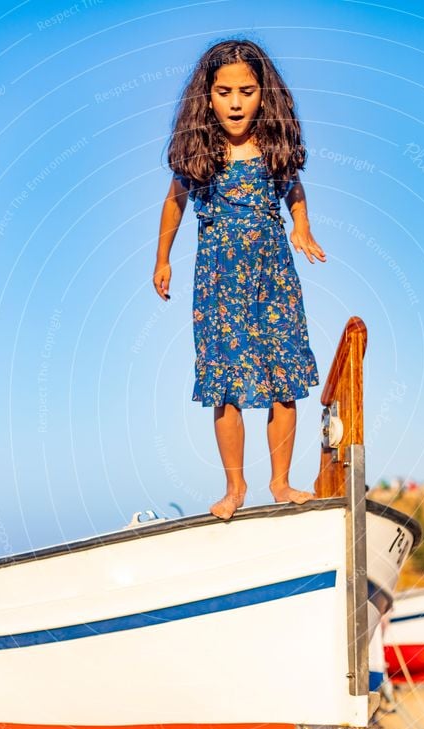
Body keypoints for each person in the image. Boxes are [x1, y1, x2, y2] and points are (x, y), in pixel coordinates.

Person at [153, 39, 326, 520]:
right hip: (218, 276)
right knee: (225, 384)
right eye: (224, 91)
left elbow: (293, 188)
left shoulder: (273, 147)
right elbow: (174, 201)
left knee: (282, 378)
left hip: (272, 271)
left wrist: (302, 227)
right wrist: (162, 258)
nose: (234, 102)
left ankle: (281, 481)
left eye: (246, 91)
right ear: (206, 97)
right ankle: (235, 487)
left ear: (263, 93)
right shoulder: (199, 149)